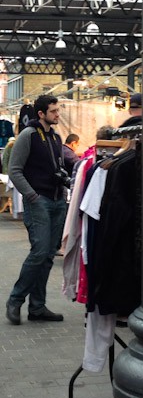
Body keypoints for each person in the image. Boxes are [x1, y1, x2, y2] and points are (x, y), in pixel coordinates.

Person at [6, 94, 67, 325]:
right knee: (39, 252)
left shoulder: (56, 137)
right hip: (39, 201)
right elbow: (15, 170)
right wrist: (31, 195)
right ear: (41, 114)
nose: (57, 114)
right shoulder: (28, 135)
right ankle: (15, 299)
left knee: (48, 256)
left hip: (56, 201)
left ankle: (37, 307)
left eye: (57, 110)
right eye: (53, 111)